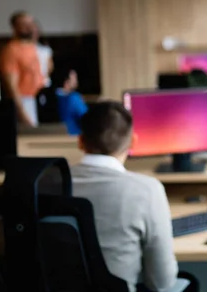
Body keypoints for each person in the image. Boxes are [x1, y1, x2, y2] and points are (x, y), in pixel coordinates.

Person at [71, 101, 181, 292]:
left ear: (80, 141)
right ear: (133, 142)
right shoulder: (147, 190)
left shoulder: (48, 184)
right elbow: (161, 282)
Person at [0, 11, 45, 127]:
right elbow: (12, 87)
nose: (29, 27)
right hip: (24, 101)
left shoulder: (33, 47)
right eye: (24, 24)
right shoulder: (11, 50)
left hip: (39, 100)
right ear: (15, 27)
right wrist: (22, 112)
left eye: (31, 23)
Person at [53, 67, 88, 135]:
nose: (76, 82)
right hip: (76, 137)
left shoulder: (54, 97)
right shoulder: (74, 98)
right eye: (74, 79)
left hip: (58, 137)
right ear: (66, 82)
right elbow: (87, 118)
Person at [32, 22, 54, 87]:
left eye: (35, 32)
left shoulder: (46, 50)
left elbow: (50, 67)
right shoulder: (20, 50)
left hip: (43, 84)